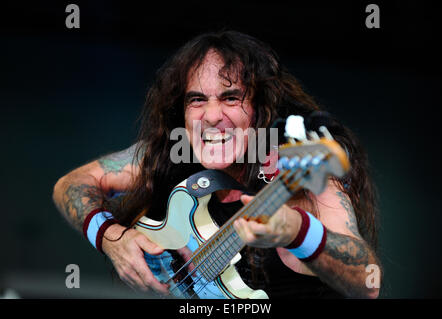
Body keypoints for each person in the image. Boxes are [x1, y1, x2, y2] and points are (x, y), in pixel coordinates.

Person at [52, 30, 381, 298]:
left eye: (230, 97)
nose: (211, 117)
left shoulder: (300, 172)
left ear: (261, 109)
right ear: (181, 112)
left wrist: (297, 230)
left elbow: (367, 282)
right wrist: (111, 238)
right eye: (197, 99)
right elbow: (70, 184)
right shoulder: (172, 154)